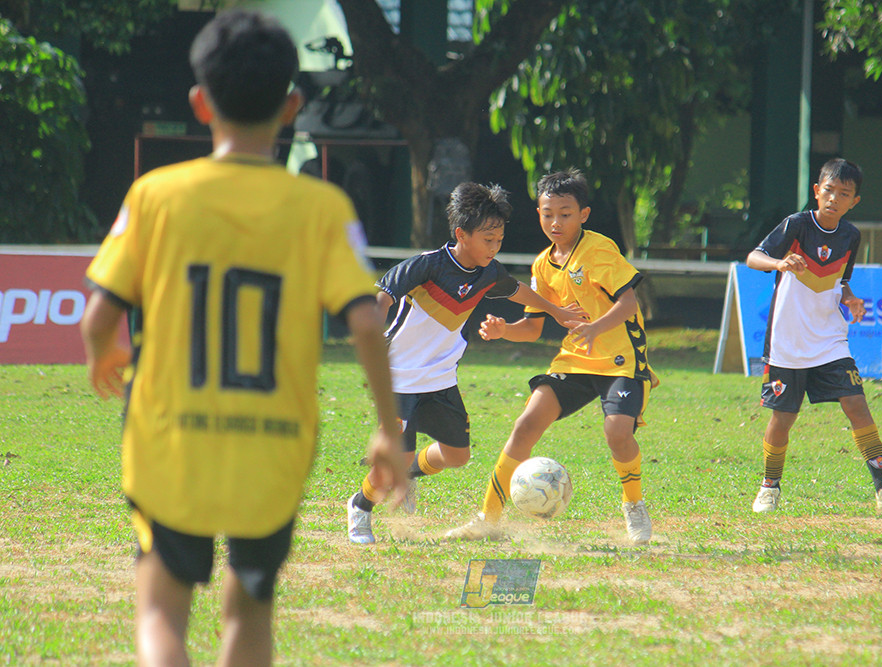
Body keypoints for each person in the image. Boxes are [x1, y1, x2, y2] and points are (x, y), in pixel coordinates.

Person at [79, 10, 408, 666]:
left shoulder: (156, 195)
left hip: (169, 438)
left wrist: (103, 353)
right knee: (250, 607)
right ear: (292, 106)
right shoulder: (321, 208)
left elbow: (97, 320)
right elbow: (367, 320)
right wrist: (388, 428)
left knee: (160, 606)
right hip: (273, 445)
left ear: (200, 104)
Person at [347, 181, 586, 544]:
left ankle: (407, 473)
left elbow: (517, 289)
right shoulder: (427, 266)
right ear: (462, 234)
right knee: (392, 462)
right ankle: (361, 508)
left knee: (457, 455)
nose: (494, 247)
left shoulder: (488, 272)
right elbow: (384, 296)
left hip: (441, 379)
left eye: (499, 240)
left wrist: (556, 311)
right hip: (399, 379)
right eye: (488, 239)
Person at [446, 169, 657, 545]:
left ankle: (634, 506)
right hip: (574, 360)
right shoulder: (543, 264)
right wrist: (503, 330)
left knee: (617, 433)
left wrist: (595, 328)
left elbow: (628, 303)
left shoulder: (598, 249)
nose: (555, 222)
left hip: (621, 358)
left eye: (565, 213)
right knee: (526, 424)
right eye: (547, 213)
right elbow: (533, 327)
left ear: (584, 215)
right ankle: (487, 517)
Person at [745, 158, 882, 515]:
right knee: (783, 418)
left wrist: (851, 298)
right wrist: (779, 263)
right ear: (816, 191)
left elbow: (839, 281)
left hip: (829, 339)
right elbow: (753, 257)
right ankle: (769, 487)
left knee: (856, 404)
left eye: (844, 194)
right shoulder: (796, 225)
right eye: (828, 190)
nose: (834, 199)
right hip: (787, 341)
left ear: (854, 201)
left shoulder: (850, 236)